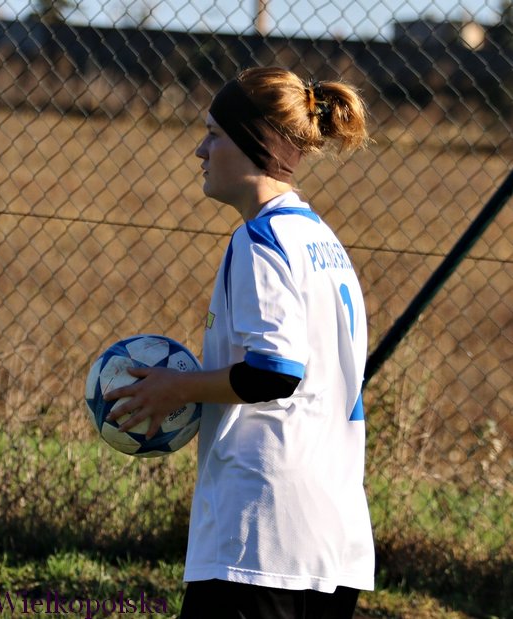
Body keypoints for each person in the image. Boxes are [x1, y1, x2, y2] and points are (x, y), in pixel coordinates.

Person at [105, 67, 374, 619]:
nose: (200, 150)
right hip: (334, 540)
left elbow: (274, 371)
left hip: (262, 537)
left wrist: (175, 389)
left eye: (214, 134)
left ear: (257, 144)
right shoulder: (320, 240)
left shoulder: (261, 240)